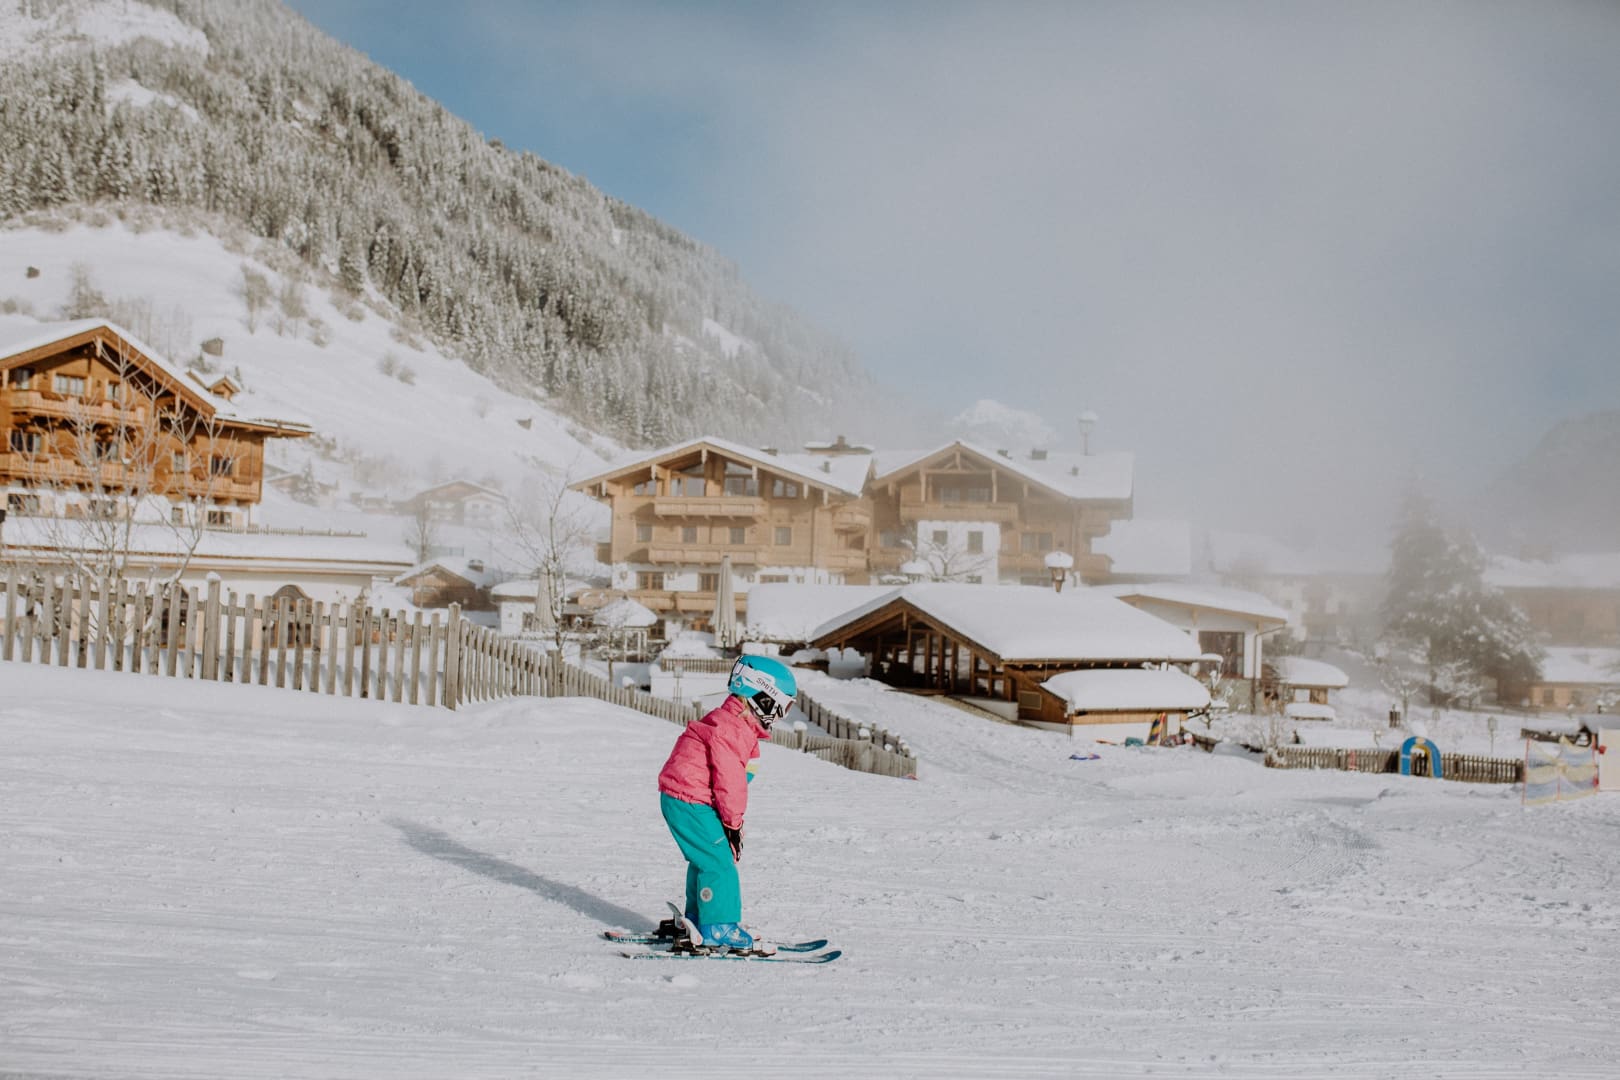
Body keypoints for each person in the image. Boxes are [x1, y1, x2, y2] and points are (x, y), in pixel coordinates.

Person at [656, 654, 796, 951]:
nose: (779, 718)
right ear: (763, 698)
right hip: (689, 800)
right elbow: (730, 782)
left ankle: (699, 917)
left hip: (683, 798)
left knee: (705, 859)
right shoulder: (734, 729)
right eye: (782, 707)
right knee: (720, 863)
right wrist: (733, 823)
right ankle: (718, 926)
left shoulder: (729, 721)